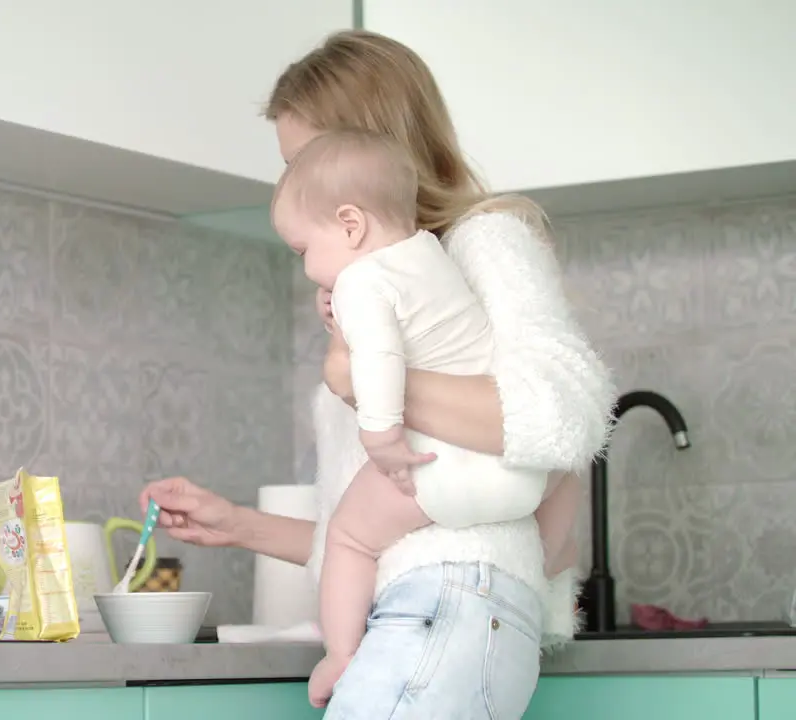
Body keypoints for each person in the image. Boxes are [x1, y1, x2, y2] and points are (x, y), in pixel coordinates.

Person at [140, 29, 613, 719]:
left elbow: (562, 415)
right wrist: (239, 525)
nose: (290, 185)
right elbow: (375, 530)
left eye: (303, 161)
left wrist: (363, 378)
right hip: (424, 600)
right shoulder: (378, 296)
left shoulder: (481, 245)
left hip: (451, 599)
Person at [270, 128, 581, 706]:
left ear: (350, 225)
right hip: (520, 483)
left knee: (350, 536)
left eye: (303, 251)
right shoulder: (433, 253)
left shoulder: (363, 280)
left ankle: (339, 656)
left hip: (441, 474)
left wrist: (381, 435)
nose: (310, 269)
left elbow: (382, 361)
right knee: (568, 466)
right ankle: (547, 563)